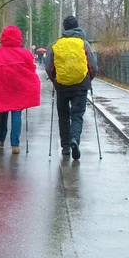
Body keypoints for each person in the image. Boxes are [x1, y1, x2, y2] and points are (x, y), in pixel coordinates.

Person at [0, 25, 41, 154]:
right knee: (16, 113)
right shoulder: (24, 53)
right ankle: (15, 145)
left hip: (1, 90)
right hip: (18, 89)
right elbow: (31, 70)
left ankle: (1, 139)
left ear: (3, 37)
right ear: (19, 38)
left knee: (2, 113)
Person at [45, 15, 97, 160]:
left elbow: (49, 67)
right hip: (81, 85)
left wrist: (55, 81)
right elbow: (92, 65)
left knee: (63, 116)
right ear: (77, 27)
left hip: (62, 85)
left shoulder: (56, 45)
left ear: (64, 29)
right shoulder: (83, 44)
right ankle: (75, 140)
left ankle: (66, 146)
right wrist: (89, 78)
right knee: (77, 115)